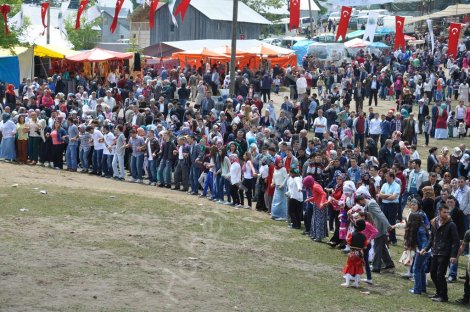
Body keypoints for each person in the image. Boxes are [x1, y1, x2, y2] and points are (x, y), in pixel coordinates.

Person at [420, 205, 460, 303]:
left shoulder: (451, 225)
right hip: (435, 251)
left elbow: (456, 241)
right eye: (444, 212)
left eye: (447, 212)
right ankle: (438, 293)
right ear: (439, 211)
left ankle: (444, 296)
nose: (446, 214)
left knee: (440, 275)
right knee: (433, 273)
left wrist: (453, 255)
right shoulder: (434, 222)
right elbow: (431, 238)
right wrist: (426, 248)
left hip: (445, 253)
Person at [356, 195, 395, 274]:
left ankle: (376, 267)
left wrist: (388, 225)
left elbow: (380, 215)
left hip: (379, 228)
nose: (360, 205)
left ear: (362, 200)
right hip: (377, 228)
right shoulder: (369, 204)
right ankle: (389, 264)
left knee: (377, 247)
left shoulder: (371, 204)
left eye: (360, 203)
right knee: (382, 247)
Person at [406, 213, 430, 295]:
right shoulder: (420, 227)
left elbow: (424, 240)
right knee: (421, 268)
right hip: (423, 251)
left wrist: (423, 249)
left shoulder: (420, 229)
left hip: (423, 252)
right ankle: (422, 288)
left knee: (416, 269)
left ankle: (417, 289)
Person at [341, 219, 368, 288]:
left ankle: (347, 283)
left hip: (352, 253)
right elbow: (365, 246)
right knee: (358, 267)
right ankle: (356, 284)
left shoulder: (351, 234)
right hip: (360, 254)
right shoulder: (364, 237)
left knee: (349, 266)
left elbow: (348, 242)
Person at [303, 175, 328, 241]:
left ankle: (319, 237)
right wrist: (309, 199)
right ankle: (315, 235)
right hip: (316, 204)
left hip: (320, 206)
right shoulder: (313, 186)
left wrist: (322, 202)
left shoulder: (315, 186)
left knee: (319, 221)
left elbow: (324, 194)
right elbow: (316, 196)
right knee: (314, 220)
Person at [378, 172, 401, 245]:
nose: (386, 178)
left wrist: (384, 196)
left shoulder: (397, 186)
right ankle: (385, 238)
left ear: (392, 177)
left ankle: (393, 240)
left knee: (391, 222)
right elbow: (380, 195)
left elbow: (393, 197)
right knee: (384, 221)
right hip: (384, 205)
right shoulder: (384, 185)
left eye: (387, 177)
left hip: (393, 205)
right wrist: (388, 195)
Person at [455, 229, 470, 305]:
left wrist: (456, 257)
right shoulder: (468, 232)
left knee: (468, 280)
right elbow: (463, 246)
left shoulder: (468, 232)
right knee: (467, 280)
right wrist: (456, 257)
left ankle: (466, 298)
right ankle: (466, 298)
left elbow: (463, 246)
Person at [271, 156, 288, 221]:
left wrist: (282, 185)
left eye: (281, 162)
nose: (280, 163)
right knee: (275, 201)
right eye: (279, 162)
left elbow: (286, 178)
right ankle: (274, 214)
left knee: (281, 202)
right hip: (277, 187)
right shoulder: (275, 169)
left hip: (282, 187)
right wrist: (273, 182)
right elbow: (274, 176)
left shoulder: (283, 169)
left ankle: (282, 215)